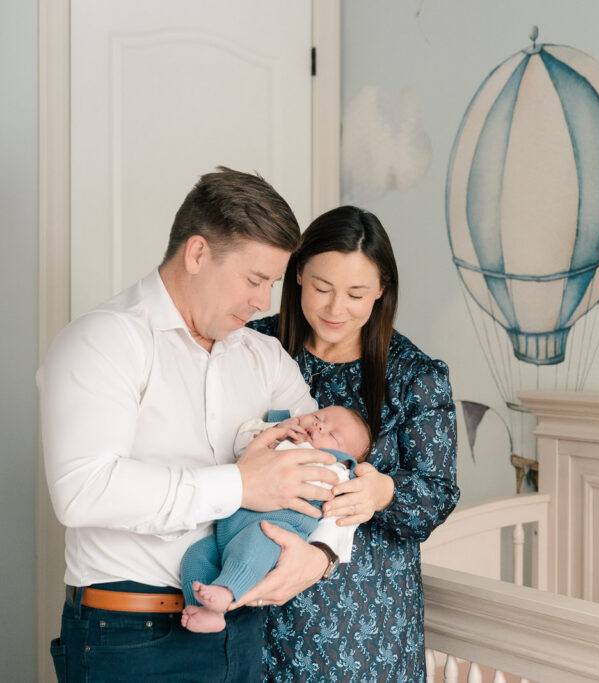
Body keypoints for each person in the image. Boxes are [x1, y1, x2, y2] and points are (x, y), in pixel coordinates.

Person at [38, 167, 348, 682]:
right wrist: (241, 484)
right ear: (198, 253)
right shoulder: (104, 341)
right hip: (128, 639)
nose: (263, 303)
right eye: (254, 280)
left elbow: (327, 469)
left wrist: (322, 552)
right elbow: (83, 491)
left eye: (271, 284)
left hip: (240, 631)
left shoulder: (265, 357)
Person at [248, 205, 460, 682]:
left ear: (382, 289)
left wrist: (384, 493)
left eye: (356, 293)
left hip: (363, 625)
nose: (334, 308)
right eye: (322, 288)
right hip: (250, 595)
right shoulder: (252, 349)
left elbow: (438, 494)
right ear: (297, 272)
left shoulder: (414, 377)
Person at [181, 406, 372, 633]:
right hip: (226, 529)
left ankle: (227, 592)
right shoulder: (279, 432)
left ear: (346, 460)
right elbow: (240, 441)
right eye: (317, 417)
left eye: (333, 435)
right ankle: (202, 610)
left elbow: (345, 505)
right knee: (195, 556)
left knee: (256, 542)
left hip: (272, 532)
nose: (320, 426)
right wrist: (276, 430)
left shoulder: (335, 470)